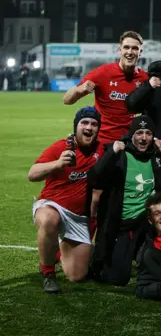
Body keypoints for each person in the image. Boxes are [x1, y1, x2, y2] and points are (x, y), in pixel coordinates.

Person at [28, 107, 104, 293]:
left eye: (94, 124)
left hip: (77, 217)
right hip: (52, 205)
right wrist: (58, 164)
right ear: (76, 127)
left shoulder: (101, 149)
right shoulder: (61, 147)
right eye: (84, 123)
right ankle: (48, 273)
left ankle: (55, 250)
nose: (89, 127)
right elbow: (32, 174)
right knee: (48, 220)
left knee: (76, 276)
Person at [90, 115, 161, 286]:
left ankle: (140, 254)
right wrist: (111, 153)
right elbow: (94, 179)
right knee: (117, 279)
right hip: (121, 225)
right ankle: (97, 259)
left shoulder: (156, 156)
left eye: (148, 133)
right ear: (131, 135)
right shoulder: (120, 155)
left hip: (146, 225)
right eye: (139, 133)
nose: (143, 138)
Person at [63, 31, 152, 144]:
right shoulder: (102, 73)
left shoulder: (144, 78)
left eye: (134, 48)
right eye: (126, 47)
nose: (130, 52)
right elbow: (67, 100)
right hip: (101, 142)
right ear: (120, 50)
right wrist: (79, 90)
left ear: (140, 52)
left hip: (128, 143)